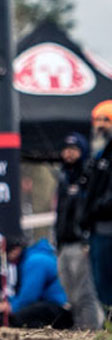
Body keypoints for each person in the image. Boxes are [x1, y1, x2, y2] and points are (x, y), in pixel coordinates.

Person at [54, 132, 102, 329]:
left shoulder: (88, 177)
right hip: (64, 244)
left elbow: (89, 210)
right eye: (66, 149)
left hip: (80, 243)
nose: (69, 154)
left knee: (85, 292)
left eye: (74, 149)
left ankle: (91, 329)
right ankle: (80, 328)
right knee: (70, 293)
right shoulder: (64, 179)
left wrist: (86, 238)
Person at [0, 238, 74, 329]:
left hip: (58, 308)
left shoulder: (34, 261)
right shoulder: (30, 260)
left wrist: (11, 307)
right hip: (52, 306)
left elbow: (30, 296)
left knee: (18, 318)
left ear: (16, 250)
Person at [85, 100, 112, 323]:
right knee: (100, 283)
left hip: (107, 227)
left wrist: (97, 207)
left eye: (107, 120)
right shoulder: (98, 157)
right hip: (97, 230)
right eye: (98, 120)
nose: (101, 125)